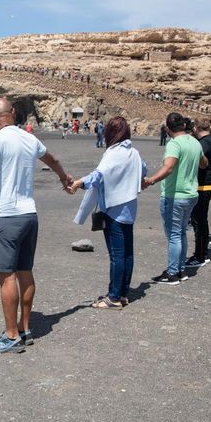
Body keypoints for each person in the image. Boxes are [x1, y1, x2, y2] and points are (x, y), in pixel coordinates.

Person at [0, 98, 74, 354]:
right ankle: (25, 328)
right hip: (30, 215)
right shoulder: (29, 138)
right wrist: (64, 178)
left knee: (7, 276)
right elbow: (52, 159)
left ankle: (10, 335)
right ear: (14, 113)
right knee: (25, 271)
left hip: (6, 217)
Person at [69, 117, 146, 309]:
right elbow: (144, 170)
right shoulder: (134, 152)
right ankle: (123, 293)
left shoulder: (114, 153)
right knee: (127, 254)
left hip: (114, 211)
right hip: (129, 209)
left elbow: (98, 175)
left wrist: (78, 183)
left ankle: (113, 298)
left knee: (117, 255)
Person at [142, 112, 207, 285]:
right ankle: (180, 269)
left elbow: (169, 167)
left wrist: (151, 180)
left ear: (168, 128)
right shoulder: (194, 142)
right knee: (181, 233)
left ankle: (172, 273)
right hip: (191, 194)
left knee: (174, 235)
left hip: (175, 195)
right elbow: (204, 163)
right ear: (184, 126)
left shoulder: (174, 144)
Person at [187, 118, 211, 268]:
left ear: (196, 128)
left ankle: (200, 254)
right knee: (203, 220)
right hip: (209, 183)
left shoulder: (204, 144)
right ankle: (203, 251)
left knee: (198, 221)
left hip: (202, 186)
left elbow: (198, 161)